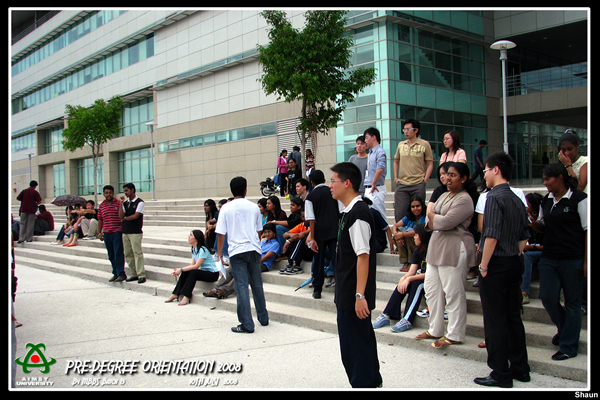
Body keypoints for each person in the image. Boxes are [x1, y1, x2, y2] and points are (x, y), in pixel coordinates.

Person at [474, 152, 531, 388]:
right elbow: (524, 235)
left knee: (495, 320)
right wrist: (515, 253)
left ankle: (500, 372)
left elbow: (491, 236)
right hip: (514, 262)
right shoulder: (517, 198)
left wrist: (483, 265)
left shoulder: (493, 198)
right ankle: (521, 368)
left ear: (496, 170)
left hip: (496, 264)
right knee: (513, 317)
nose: (484, 175)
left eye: (486, 170)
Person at [328, 161, 382, 388]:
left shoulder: (358, 213)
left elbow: (363, 256)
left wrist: (360, 296)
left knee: (356, 349)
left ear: (347, 183)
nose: (330, 185)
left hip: (354, 295)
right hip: (347, 292)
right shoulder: (348, 212)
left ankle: (365, 384)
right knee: (357, 345)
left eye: (333, 181)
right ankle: (371, 383)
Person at [417, 162, 478, 349]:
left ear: (463, 178)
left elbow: (446, 222)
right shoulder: (444, 195)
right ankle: (435, 329)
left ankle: (455, 334)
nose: (448, 178)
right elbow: (429, 219)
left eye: (453, 175)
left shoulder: (465, 199)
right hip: (436, 247)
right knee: (431, 290)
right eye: (446, 174)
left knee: (453, 292)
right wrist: (434, 217)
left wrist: (434, 217)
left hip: (454, 247)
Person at [531, 163, 587, 361]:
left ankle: (569, 346)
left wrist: (587, 261)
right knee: (547, 297)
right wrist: (532, 222)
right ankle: (565, 329)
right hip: (549, 257)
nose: (545, 183)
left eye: (548, 179)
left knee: (572, 302)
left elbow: (587, 230)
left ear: (560, 178)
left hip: (573, 258)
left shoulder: (579, 199)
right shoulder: (546, 201)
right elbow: (543, 226)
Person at [216, 176, 269, 333]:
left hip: (237, 251)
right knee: (257, 285)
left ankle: (247, 324)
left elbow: (221, 234)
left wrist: (219, 254)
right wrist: (253, 241)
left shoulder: (226, 208)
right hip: (254, 249)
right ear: (246, 190)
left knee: (242, 287)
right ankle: (263, 318)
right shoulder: (254, 207)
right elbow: (259, 230)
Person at [373, 224, 431, 332]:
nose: (414, 237)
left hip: (432, 281)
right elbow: (412, 271)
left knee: (417, 284)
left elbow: (431, 274)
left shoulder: (432, 251)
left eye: (416, 235)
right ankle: (386, 314)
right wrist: (403, 279)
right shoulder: (418, 251)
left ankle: (407, 319)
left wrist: (409, 279)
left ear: (423, 236)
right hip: (420, 278)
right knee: (404, 283)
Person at [305, 169, 341, 299]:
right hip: (334, 231)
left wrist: (312, 238)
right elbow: (340, 212)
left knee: (318, 262)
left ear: (312, 182)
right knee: (336, 260)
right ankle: (340, 289)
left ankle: (317, 290)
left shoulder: (310, 197)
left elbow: (311, 219)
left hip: (319, 233)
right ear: (324, 180)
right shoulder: (333, 192)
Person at [393, 119, 434, 223]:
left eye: (408, 129)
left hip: (418, 184)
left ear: (416, 130)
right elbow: (396, 161)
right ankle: (400, 233)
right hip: (402, 184)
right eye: (404, 129)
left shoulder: (424, 144)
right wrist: (396, 178)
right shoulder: (401, 145)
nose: (406, 132)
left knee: (418, 214)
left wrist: (424, 181)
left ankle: (418, 232)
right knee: (400, 212)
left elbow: (430, 164)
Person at [165, 230, 219, 305]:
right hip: (204, 271)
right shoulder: (194, 249)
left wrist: (180, 269)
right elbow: (192, 265)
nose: (189, 237)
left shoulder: (203, 250)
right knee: (187, 271)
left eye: (191, 235)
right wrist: (182, 270)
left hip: (212, 274)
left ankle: (187, 296)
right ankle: (175, 293)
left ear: (196, 238)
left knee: (193, 272)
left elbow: (196, 266)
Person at [97, 185, 126, 282]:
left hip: (117, 232)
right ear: (104, 194)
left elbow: (123, 216)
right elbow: (100, 220)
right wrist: (99, 232)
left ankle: (121, 273)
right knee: (111, 254)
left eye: (110, 192)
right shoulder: (102, 205)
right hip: (106, 233)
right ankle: (115, 273)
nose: (108, 194)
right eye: (106, 193)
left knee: (118, 253)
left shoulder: (118, 203)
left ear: (113, 193)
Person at [119, 183, 146, 284]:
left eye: (127, 190)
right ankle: (134, 274)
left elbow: (136, 216)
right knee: (128, 253)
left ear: (132, 190)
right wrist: (121, 204)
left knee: (137, 253)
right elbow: (121, 215)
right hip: (125, 231)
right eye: (124, 191)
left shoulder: (140, 202)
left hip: (135, 231)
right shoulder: (126, 203)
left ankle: (141, 274)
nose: (125, 193)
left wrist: (125, 218)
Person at [521, 192, 544, 304]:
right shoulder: (526, 220)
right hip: (530, 250)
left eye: (528, 205)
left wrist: (531, 247)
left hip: (542, 252)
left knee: (527, 256)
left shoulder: (543, 221)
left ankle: (524, 292)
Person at [392, 196, 426, 271]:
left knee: (408, 236)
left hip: (420, 243)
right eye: (413, 207)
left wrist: (402, 234)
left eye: (418, 206)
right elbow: (395, 226)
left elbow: (418, 232)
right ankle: (405, 262)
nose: (415, 209)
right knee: (397, 234)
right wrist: (397, 236)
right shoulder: (408, 217)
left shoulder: (425, 218)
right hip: (406, 242)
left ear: (422, 206)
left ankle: (411, 262)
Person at [363, 127, 388, 220]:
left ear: (374, 137)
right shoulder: (370, 153)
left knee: (380, 216)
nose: (365, 140)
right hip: (368, 187)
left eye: (367, 137)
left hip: (376, 188)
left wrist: (374, 182)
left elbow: (380, 168)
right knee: (369, 216)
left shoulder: (380, 152)